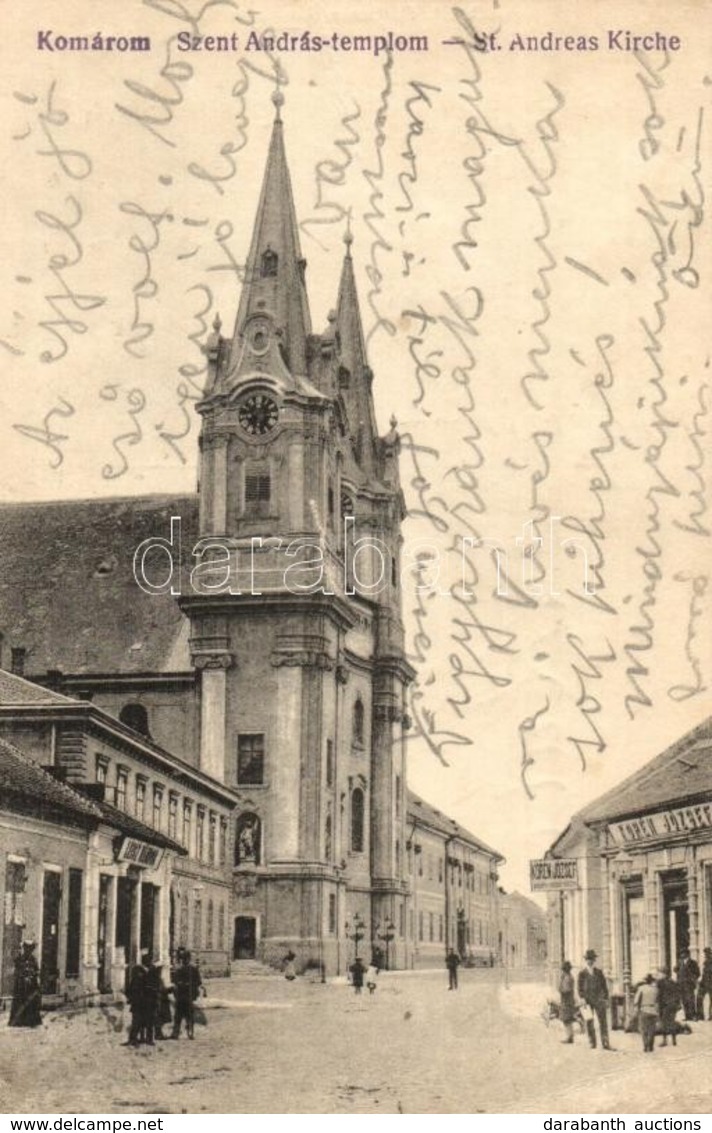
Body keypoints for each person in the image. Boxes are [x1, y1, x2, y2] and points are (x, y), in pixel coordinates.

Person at [577, 949, 610, 1050]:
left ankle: (605, 1042)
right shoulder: (582, 973)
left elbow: (604, 986)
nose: (590, 961)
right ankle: (592, 1042)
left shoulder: (599, 972)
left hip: (599, 1000)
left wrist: (606, 998)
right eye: (588, 959)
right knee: (589, 1021)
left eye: (591, 959)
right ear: (585, 960)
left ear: (594, 960)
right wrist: (582, 998)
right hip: (587, 1001)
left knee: (603, 1021)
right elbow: (579, 988)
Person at [171, 949, 203, 1039]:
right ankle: (177, 1032)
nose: (184, 960)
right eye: (183, 958)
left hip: (187, 995)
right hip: (183, 995)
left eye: (186, 958)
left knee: (187, 1015)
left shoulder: (192, 969)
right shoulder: (180, 969)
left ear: (188, 959)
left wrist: (190, 985)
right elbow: (175, 981)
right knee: (180, 1015)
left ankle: (188, 1032)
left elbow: (198, 982)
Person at [9, 940, 42, 1028]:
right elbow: (17, 971)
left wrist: (33, 976)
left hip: (31, 984)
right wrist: (22, 977)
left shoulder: (33, 960)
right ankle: (19, 1021)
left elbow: (37, 970)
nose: (28, 950)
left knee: (31, 1001)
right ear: (24, 949)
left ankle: (31, 1021)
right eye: (26, 948)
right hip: (21, 984)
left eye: (30, 949)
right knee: (20, 1001)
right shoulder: (19, 959)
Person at [126, 952, 149, 1046]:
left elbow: (129, 989)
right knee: (137, 1021)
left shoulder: (141, 972)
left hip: (141, 1001)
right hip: (139, 1001)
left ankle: (140, 1038)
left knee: (140, 1020)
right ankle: (133, 1039)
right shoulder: (141, 972)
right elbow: (131, 989)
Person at [634, 973, 659, 1053]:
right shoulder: (655, 989)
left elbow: (636, 1000)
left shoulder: (641, 988)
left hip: (644, 1009)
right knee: (652, 1030)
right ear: (652, 981)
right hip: (653, 1010)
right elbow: (657, 1000)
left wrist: (636, 1009)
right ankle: (650, 1046)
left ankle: (645, 1046)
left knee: (644, 1029)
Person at [657, 968, 681, 1047]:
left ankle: (664, 1041)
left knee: (664, 1023)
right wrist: (677, 1004)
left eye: (660, 973)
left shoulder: (660, 982)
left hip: (664, 1005)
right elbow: (678, 994)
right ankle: (674, 1040)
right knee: (672, 1022)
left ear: (664, 974)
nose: (659, 975)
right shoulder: (673, 982)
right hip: (673, 1005)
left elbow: (658, 995)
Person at [678, 949, 700, 1021]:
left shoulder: (693, 963)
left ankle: (693, 1016)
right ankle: (687, 1016)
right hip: (681, 984)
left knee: (690, 1000)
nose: (681, 955)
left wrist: (692, 979)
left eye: (683, 953)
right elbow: (677, 970)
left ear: (687, 954)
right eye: (681, 954)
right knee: (684, 1000)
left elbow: (697, 973)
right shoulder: (680, 962)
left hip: (689, 984)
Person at [558, 961, 576, 1044]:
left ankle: (569, 1037)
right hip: (569, 1000)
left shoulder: (567, 978)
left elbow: (565, 990)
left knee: (566, 1019)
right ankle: (570, 1036)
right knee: (568, 1019)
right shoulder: (569, 977)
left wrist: (560, 989)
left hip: (566, 1001)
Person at [695, 947, 712, 1021]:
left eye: (707, 953)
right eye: (705, 953)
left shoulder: (709, 962)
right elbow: (704, 974)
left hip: (710, 983)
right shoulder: (705, 962)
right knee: (699, 998)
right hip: (704, 983)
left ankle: (710, 1016)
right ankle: (700, 1015)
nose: (706, 955)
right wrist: (700, 981)